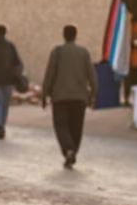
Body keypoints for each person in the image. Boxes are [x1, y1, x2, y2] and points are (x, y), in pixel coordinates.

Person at [41, 25, 98, 168]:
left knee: (61, 125)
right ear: (75, 35)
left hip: (60, 97)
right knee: (76, 126)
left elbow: (49, 75)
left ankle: (68, 149)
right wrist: (93, 93)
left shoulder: (57, 53)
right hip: (79, 97)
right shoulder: (83, 53)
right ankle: (73, 150)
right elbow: (91, 75)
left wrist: (44, 94)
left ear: (64, 35)